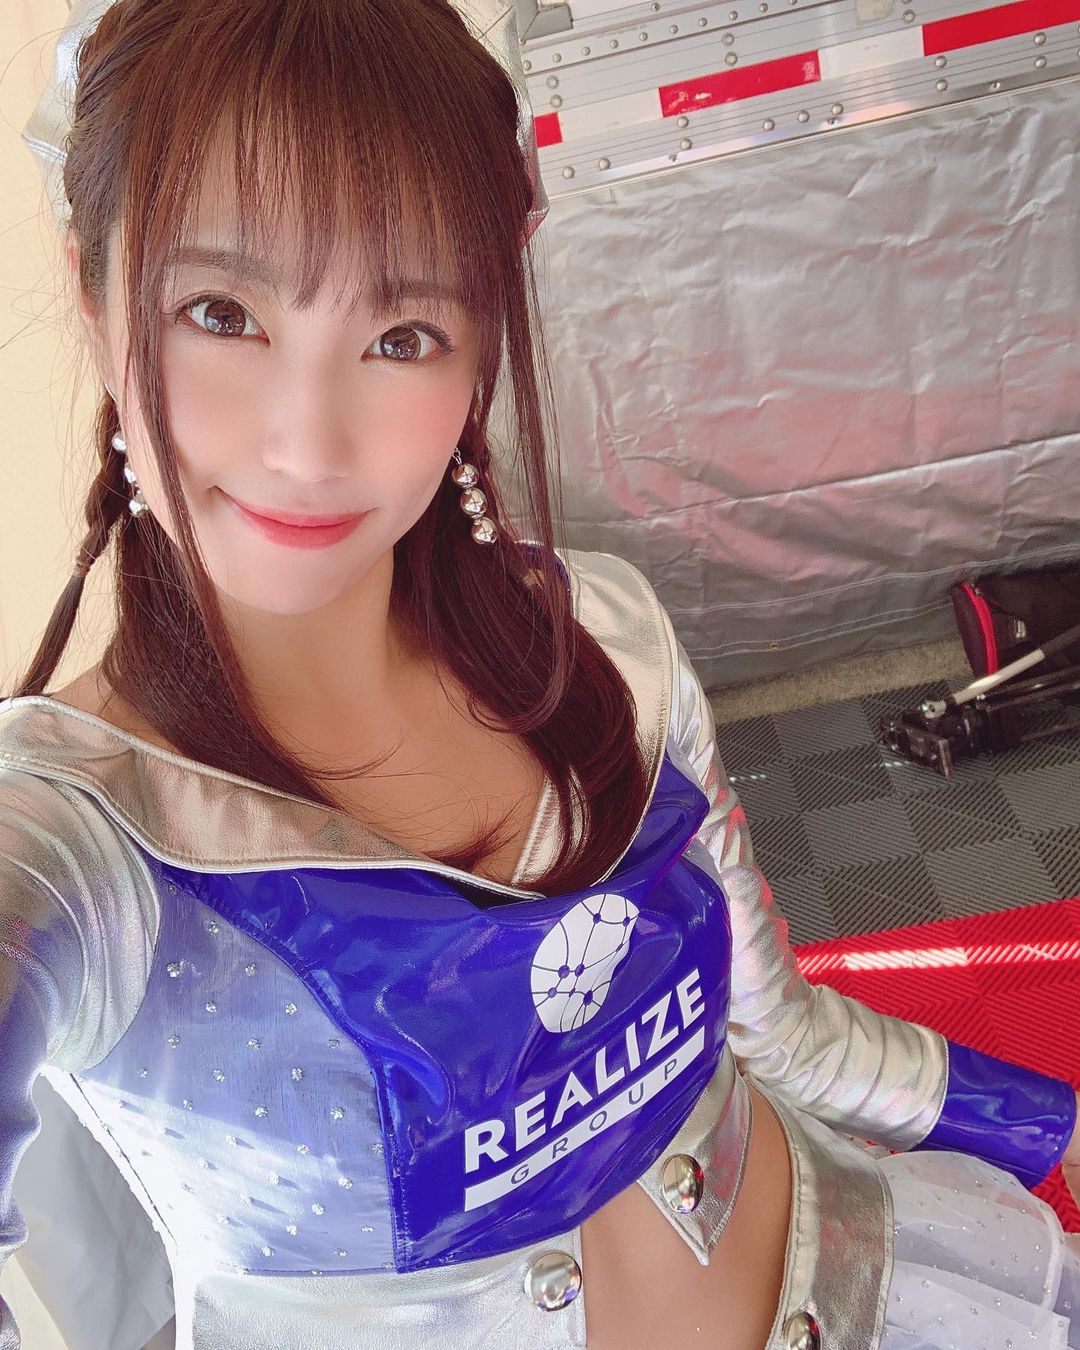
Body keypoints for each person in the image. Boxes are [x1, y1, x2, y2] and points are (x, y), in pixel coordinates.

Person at [3, 1, 1080, 1347]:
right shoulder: (73, 850)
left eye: (403, 335)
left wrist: (1049, 1127)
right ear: (94, 292)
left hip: (870, 1282)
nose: (308, 443)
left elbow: (778, 1032)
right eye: (220, 313)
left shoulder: (607, 643)